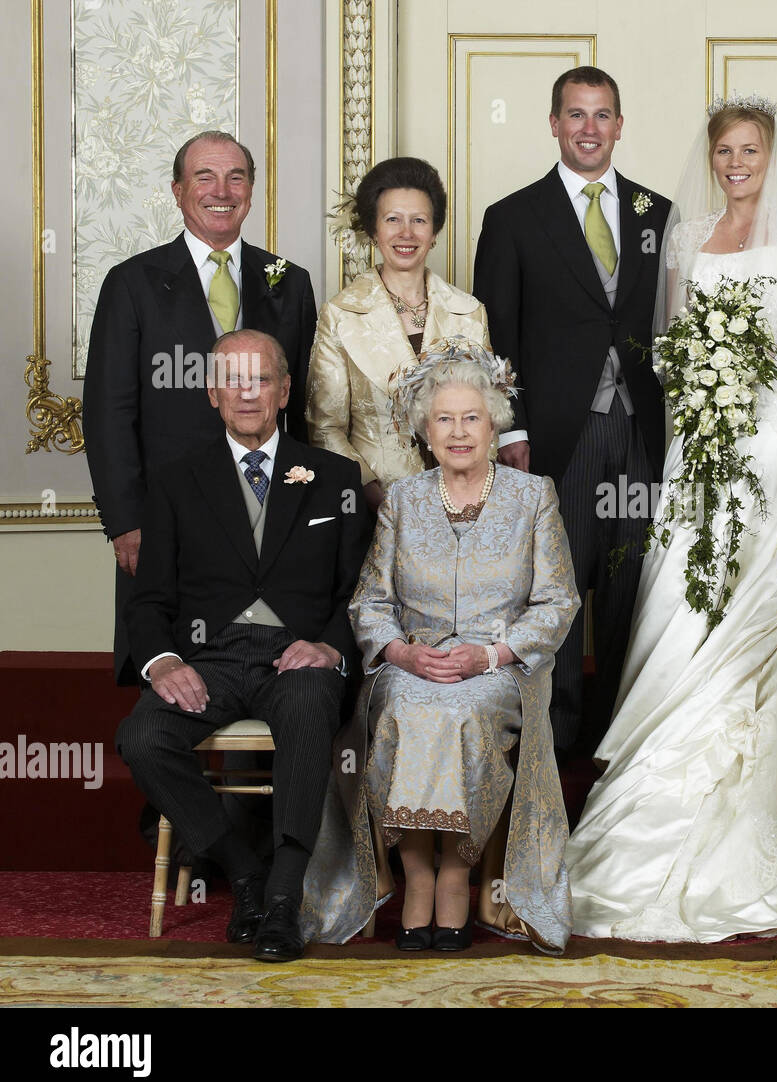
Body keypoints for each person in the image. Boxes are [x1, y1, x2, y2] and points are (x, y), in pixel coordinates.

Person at [565, 93, 777, 941]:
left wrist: (748, 340)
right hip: (703, 436)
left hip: (771, 434)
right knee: (689, 589)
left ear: (771, 155)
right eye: (724, 150)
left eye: (749, 150)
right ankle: (650, 804)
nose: (735, 163)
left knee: (758, 589)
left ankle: (760, 807)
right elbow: (671, 341)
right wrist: (707, 351)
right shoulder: (686, 239)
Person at [301, 339, 580, 955]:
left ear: (495, 424)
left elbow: (559, 602)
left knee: (461, 712)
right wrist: (400, 654)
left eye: (472, 418)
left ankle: (454, 871)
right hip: (413, 661)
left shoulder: (534, 497)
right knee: (405, 706)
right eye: (444, 420)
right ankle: (417, 874)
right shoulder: (402, 500)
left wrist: (492, 656)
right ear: (425, 431)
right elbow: (369, 602)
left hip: (499, 666)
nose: (459, 432)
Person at [114, 330, 367, 962]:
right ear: (212, 393)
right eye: (233, 379)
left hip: (298, 655)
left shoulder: (336, 477)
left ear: (284, 391)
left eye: (260, 380)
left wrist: (332, 648)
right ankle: (244, 867)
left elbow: (360, 591)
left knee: (312, 701)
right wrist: (164, 660)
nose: (246, 393)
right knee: (141, 738)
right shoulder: (175, 482)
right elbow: (148, 602)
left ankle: (283, 901)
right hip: (211, 660)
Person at [473, 66, 672, 755]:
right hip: (558, 435)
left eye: (603, 115)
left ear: (620, 125)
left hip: (643, 430)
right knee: (556, 597)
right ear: (554, 123)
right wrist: (514, 427)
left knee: (631, 597)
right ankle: (550, 763)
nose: (590, 128)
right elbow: (494, 335)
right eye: (576, 115)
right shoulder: (512, 218)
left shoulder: (659, 213)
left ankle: (620, 757)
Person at [85, 130, 318, 686]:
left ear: (252, 190)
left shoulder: (289, 282)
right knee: (170, 674)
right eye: (205, 177)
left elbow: (304, 406)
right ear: (177, 190)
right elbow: (108, 411)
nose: (222, 190)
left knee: (268, 666)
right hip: (168, 515)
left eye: (236, 177)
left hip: (270, 512)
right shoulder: (131, 282)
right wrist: (125, 521)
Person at [308, 157, 490, 512]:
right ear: (374, 230)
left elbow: (487, 416)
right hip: (377, 507)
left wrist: (475, 494)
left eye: (418, 221)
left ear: (434, 232)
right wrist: (374, 495)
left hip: (463, 503)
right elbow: (325, 429)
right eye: (393, 219)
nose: (406, 233)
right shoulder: (341, 314)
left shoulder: (469, 312)